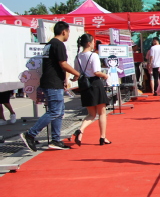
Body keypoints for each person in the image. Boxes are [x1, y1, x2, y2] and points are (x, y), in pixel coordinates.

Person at [21, 21, 81, 151]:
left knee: (59, 112)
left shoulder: (49, 44)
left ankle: (55, 140)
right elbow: (63, 64)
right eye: (68, 32)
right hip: (52, 83)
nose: (68, 35)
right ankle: (30, 134)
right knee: (54, 111)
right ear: (64, 31)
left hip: (53, 82)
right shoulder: (58, 44)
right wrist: (77, 73)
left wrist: (63, 80)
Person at [72, 34, 111, 146]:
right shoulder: (93, 55)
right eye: (93, 41)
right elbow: (96, 72)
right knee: (102, 112)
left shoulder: (78, 57)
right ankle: (103, 137)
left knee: (91, 114)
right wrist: (105, 76)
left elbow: (76, 74)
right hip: (95, 84)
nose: (94, 43)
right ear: (89, 43)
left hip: (84, 86)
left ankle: (80, 130)